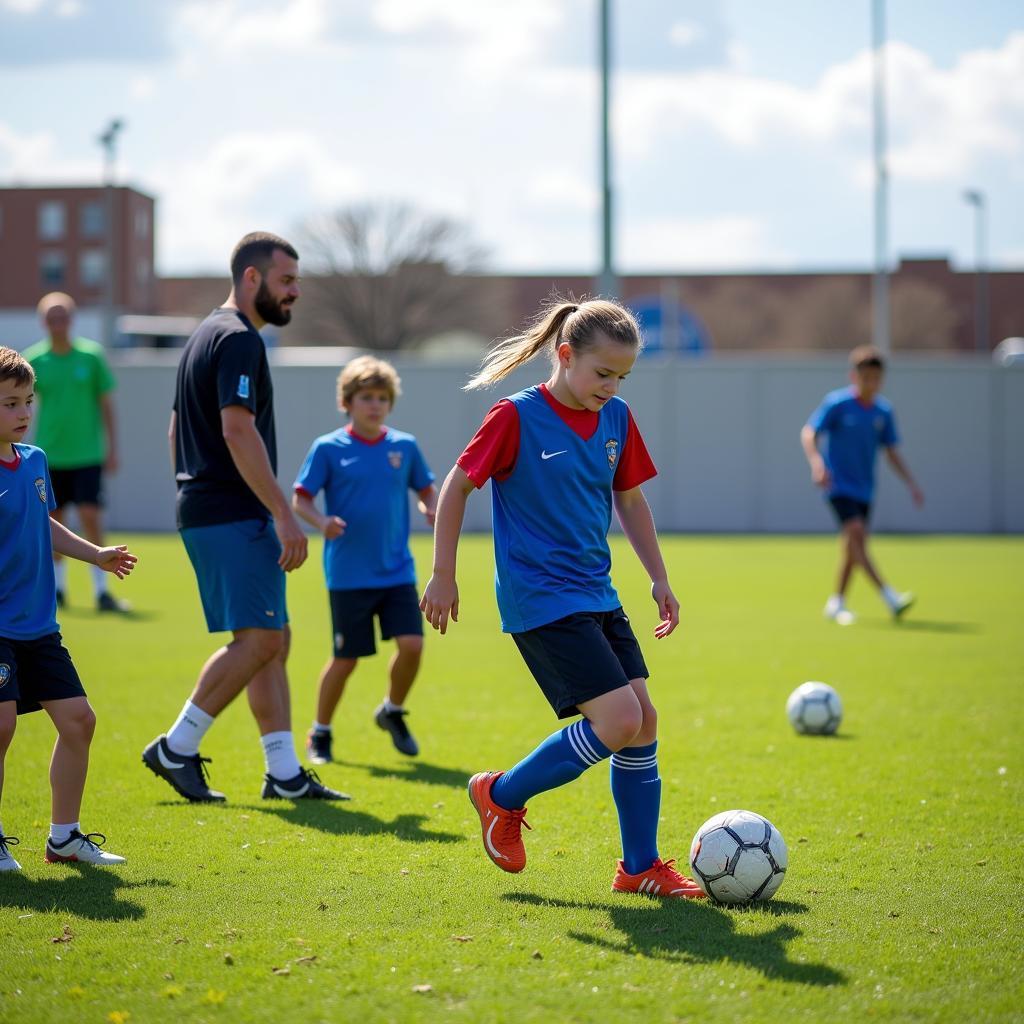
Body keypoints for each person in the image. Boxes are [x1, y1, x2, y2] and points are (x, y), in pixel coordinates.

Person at [420, 297, 705, 899]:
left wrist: (659, 577)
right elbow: (456, 487)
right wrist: (443, 572)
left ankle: (638, 868)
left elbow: (629, 500)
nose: (611, 386)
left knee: (644, 723)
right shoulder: (515, 417)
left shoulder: (618, 419)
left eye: (621, 376)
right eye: (603, 373)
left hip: (596, 592)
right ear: (566, 354)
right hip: (541, 598)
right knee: (621, 719)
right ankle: (500, 796)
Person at [142, 231, 346, 804]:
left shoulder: (204, 334)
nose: (295, 293)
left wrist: (192, 490)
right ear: (251, 278)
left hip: (210, 507)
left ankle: (283, 774)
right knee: (258, 640)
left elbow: (175, 429)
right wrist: (283, 513)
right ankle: (176, 747)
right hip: (231, 511)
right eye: (286, 282)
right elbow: (236, 428)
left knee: (272, 637)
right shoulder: (238, 340)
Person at [0, 346, 136, 871]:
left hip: (39, 626)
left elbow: (42, 521)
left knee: (79, 720)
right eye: (10, 404)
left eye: (27, 401)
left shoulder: (33, 460)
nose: (24, 412)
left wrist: (96, 554)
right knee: (1, 727)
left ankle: (64, 838)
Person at [293, 356, 437, 764]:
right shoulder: (328, 448)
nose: (374, 405)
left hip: (396, 570)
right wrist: (322, 521)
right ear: (348, 402)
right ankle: (320, 732)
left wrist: (431, 507)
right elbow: (300, 498)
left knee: (412, 644)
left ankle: (392, 710)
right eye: (365, 397)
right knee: (346, 658)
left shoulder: (404, 446)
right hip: (349, 575)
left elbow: (427, 489)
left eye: (381, 398)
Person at [800, 345, 924, 625]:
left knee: (853, 548)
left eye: (876, 378)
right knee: (855, 534)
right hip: (837, 485)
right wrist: (817, 463)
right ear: (854, 376)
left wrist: (911, 484)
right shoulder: (837, 404)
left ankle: (836, 603)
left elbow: (891, 451)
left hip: (865, 489)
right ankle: (889, 596)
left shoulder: (883, 411)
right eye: (865, 377)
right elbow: (809, 432)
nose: (871, 384)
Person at [22, 292, 126, 613]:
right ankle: (59, 589)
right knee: (52, 521)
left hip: (86, 454)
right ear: (43, 322)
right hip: (48, 455)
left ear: (72, 319)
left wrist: (111, 448)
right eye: (52, 318)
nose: (58, 323)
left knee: (91, 517)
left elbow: (106, 405)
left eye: (63, 316)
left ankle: (102, 591)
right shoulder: (34, 361)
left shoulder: (91, 357)